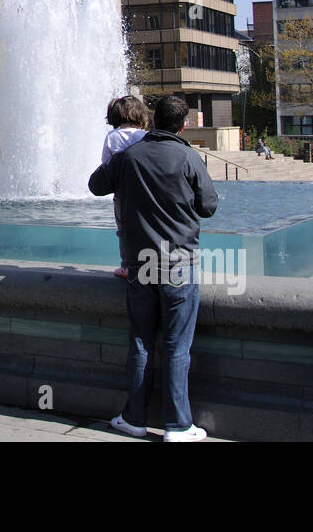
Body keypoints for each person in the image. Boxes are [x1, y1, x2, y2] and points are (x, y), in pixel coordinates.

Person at [89, 95, 218, 443]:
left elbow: (95, 185)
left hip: (140, 265)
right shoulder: (189, 156)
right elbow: (208, 206)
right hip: (179, 264)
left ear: (154, 120)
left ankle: (133, 419)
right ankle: (178, 426)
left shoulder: (128, 157)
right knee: (177, 347)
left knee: (141, 343)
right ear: (183, 124)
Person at [100, 95, 151, 279]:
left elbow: (106, 165)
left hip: (123, 193)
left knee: (124, 230)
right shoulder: (146, 136)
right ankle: (149, 264)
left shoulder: (112, 137)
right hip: (147, 190)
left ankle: (127, 266)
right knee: (146, 228)